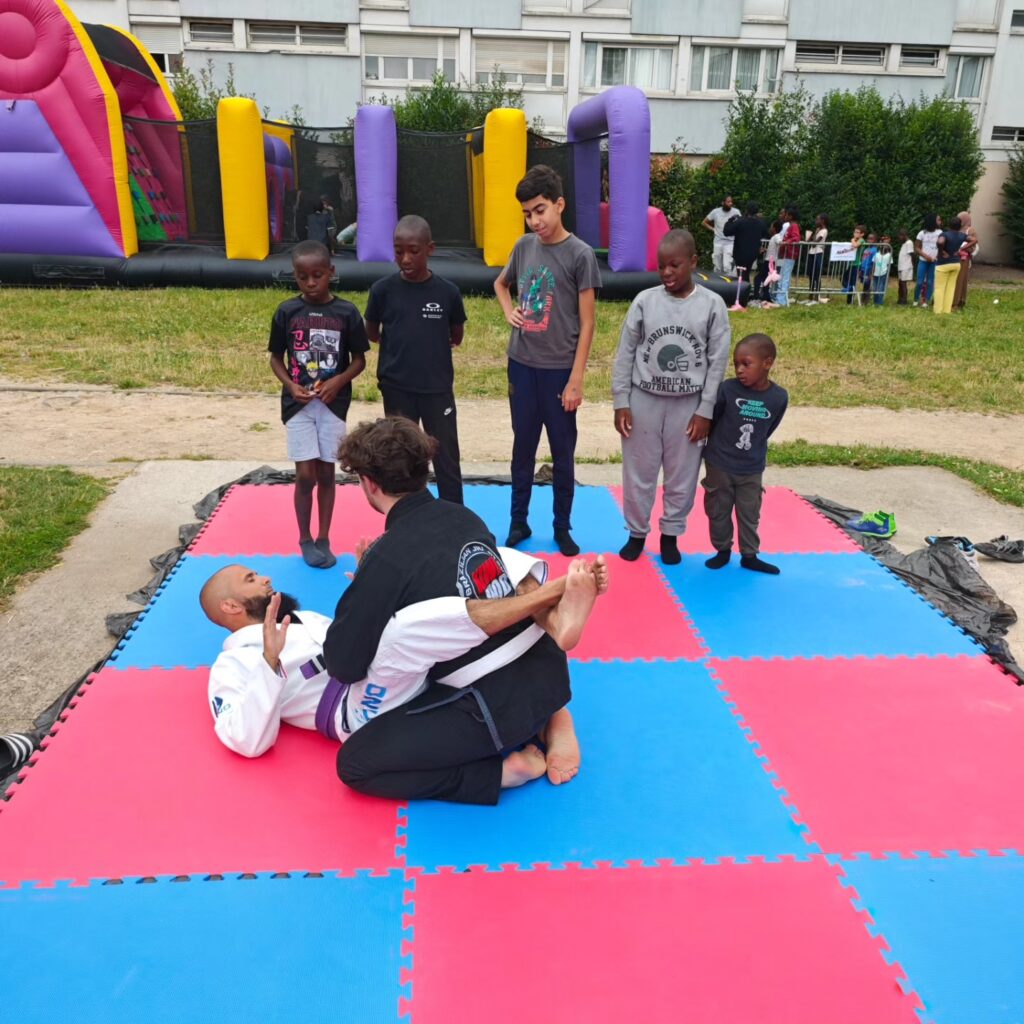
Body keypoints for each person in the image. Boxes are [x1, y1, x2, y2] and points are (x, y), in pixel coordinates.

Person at [324, 417, 597, 804]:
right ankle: (555, 718)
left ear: (369, 483)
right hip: (549, 674)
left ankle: (501, 774)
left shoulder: (387, 556)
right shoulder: (463, 516)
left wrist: (368, 585)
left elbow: (345, 665)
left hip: (494, 709)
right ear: (424, 471)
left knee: (355, 764)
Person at [201, 553, 607, 762]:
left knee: (461, 558)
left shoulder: (303, 619)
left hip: (387, 672)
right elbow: (247, 741)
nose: (266, 578)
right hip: (357, 707)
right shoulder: (232, 666)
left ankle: (554, 627)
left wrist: (367, 588)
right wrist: (270, 665)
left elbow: (354, 638)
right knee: (408, 628)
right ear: (232, 608)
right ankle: (553, 595)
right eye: (251, 580)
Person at [494, 164, 602, 557]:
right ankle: (517, 521)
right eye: (526, 213)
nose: (533, 220)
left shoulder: (580, 254)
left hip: (559, 371)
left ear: (559, 205)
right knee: (523, 447)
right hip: (521, 365)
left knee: (561, 451)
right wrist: (508, 310)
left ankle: (561, 525)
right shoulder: (524, 247)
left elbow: (587, 324)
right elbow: (500, 283)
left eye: (539, 210)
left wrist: (576, 380)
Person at [612, 229, 731, 565]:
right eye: (661, 266)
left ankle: (670, 535)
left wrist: (705, 410)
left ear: (693, 262)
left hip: (689, 406)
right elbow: (625, 354)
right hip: (643, 401)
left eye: (674, 265)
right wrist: (622, 399)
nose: (666, 273)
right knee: (639, 472)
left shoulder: (711, 306)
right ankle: (636, 532)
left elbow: (717, 362)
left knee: (682, 475)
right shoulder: (644, 302)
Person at [269, 241, 369, 567]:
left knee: (327, 474)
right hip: (298, 406)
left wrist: (338, 381)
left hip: (333, 404)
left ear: (331, 273)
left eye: (317, 275)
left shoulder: (346, 312)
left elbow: (359, 360)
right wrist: (291, 385)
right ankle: (304, 537)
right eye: (302, 277)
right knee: (304, 476)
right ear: (295, 277)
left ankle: (324, 537)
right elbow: (275, 358)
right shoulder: (287, 312)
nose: (311, 283)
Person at [365, 215, 467, 504]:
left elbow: (455, 335)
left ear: (430, 249)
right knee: (399, 458)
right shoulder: (382, 290)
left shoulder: (447, 292)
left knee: (446, 456)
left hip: (437, 389)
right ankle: (405, 515)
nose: (406, 258)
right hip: (397, 388)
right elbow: (372, 331)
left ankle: (453, 516)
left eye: (414, 251)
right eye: (399, 251)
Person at [702, 333, 789, 575]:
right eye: (736, 364)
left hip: (751, 468)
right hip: (719, 463)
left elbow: (769, 428)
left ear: (767, 363)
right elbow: (714, 420)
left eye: (746, 364)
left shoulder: (778, 397)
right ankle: (722, 550)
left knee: (749, 512)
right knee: (718, 509)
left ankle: (749, 555)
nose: (740, 370)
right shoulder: (727, 390)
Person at [723, 201, 768, 290]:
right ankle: (745, 291)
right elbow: (765, 233)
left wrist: (730, 220)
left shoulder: (740, 221)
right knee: (746, 272)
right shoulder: (760, 223)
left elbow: (727, 232)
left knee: (741, 273)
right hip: (753, 253)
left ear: (747, 210)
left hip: (740, 253)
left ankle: (742, 293)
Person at [934, 216, 972, 315]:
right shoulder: (962, 235)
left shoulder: (944, 234)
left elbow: (940, 242)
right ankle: (947, 310)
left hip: (943, 264)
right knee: (950, 288)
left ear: (949, 225)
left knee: (939, 288)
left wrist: (942, 252)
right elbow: (974, 240)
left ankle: (938, 311)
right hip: (956, 264)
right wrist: (961, 249)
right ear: (960, 226)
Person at [701, 195, 740, 274]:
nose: (730, 203)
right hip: (718, 241)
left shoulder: (736, 212)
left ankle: (728, 284)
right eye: (728, 202)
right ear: (723, 203)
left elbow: (741, 224)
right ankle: (718, 283)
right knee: (717, 266)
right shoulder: (715, 212)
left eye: (731, 202)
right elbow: (704, 222)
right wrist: (713, 229)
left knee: (727, 266)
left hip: (730, 242)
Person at [774, 205, 801, 307]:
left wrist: (786, 242)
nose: (785, 216)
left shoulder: (794, 226)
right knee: (783, 276)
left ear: (790, 216)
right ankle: (781, 299)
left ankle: (781, 300)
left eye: (787, 215)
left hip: (789, 255)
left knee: (784, 277)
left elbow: (796, 238)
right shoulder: (791, 226)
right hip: (786, 255)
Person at [914, 212, 942, 308]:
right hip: (923, 260)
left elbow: (942, 247)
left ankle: (926, 301)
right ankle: (915, 299)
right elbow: (917, 247)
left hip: (934, 262)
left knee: (930, 282)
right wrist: (926, 256)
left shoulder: (940, 233)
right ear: (932, 221)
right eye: (938, 219)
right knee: (919, 282)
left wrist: (936, 257)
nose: (940, 221)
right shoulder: (922, 233)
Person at [952, 210, 976, 311]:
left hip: (963, 259)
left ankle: (958, 302)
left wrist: (961, 249)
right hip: (953, 257)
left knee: (960, 280)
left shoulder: (970, 231)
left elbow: (973, 246)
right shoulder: (956, 229)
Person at [805, 214, 829, 303]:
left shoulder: (824, 231)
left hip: (818, 253)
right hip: (812, 252)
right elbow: (813, 241)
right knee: (811, 274)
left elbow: (816, 242)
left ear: (822, 221)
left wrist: (810, 241)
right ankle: (811, 294)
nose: (816, 221)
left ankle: (817, 295)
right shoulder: (818, 230)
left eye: (817, 219)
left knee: (816, 275)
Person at [842, 225, 866, 305]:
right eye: (854, 232)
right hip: (852, 264)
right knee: (844, 278)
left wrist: (852, 240)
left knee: (852, 283)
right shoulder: (855, 240)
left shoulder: (862, 240)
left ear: (862, 234)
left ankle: (849, 301)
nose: (855, 234)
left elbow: (855, 245)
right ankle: (847, 289)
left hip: (857, 264)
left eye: (857, 232)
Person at [872, 236, 892, 306]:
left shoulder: (889, 255)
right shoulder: (876, 254)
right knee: (874, 288)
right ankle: (875, 302)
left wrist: (888, 275)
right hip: (875, 274)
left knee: (880, 288)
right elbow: (873, 264)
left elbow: (889, 266)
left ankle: (879, 303)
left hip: (883, 273)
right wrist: (872, 273)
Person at [896, 228, 914, 306]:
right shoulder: (904, 243)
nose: (899, 238)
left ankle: (904, 300)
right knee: (900, 283)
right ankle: (900, 298)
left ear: (904, 235)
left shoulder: (909, 243)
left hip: (906, 266)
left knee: (903, 283)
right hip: (901, 266)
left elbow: (912, 254)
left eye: (900, 236)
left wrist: (913, 265)